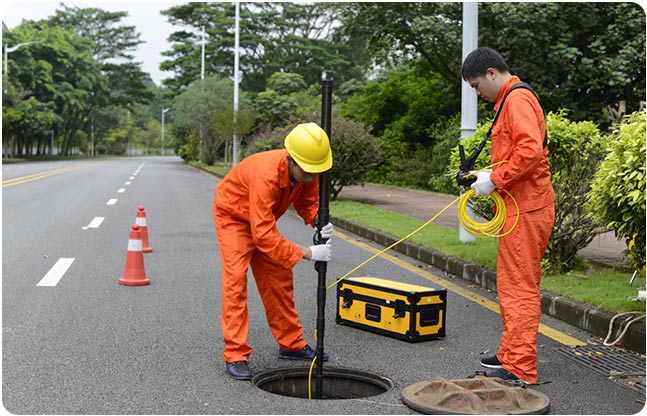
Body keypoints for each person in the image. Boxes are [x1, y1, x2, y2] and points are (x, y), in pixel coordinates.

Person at [461, 47, 555, 384]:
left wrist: (495, 179)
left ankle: (520, 368)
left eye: (475, 85)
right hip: (519, 209)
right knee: (510, 285)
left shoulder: (516, 100)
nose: (476, 92)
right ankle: (510, 353)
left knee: (520, 289)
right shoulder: (508, 103)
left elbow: (529, 151)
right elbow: (515, 154)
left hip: (529, 209)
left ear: (490, 72)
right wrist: (486, 175)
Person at [212, 122, 334, 380]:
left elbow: (307, 201)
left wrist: (317, 220)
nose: (313, 177)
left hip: (262, 220)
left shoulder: (308, 168)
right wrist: (308, 252)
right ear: (292, 159)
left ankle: (291, 344)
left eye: (317, 172)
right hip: (233, 217)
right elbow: (263, 235)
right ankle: (236, 354)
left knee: (278, 278)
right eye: (309, 171)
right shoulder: (265, 175)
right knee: (235, 281)